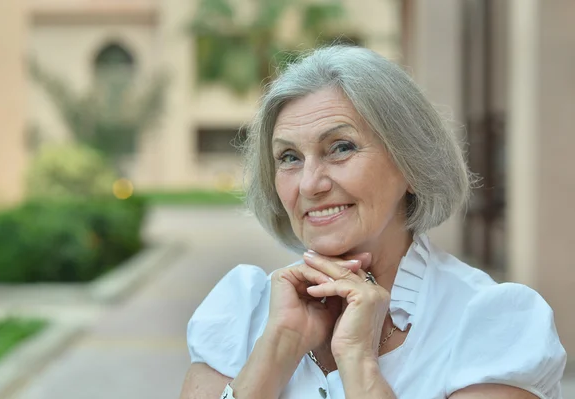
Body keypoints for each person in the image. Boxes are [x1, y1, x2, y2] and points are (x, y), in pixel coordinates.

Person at [179, 45, 566, 399]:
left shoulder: (491, 322)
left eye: (341, 148)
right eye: (289, 157)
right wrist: (277, 349)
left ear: (410, 164)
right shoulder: (244, 310)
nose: (310, 184)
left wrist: (360, 365)